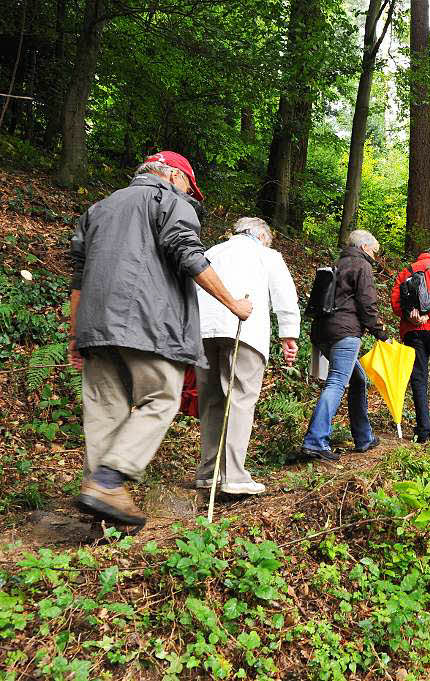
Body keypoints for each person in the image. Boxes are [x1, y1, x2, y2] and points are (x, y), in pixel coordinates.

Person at [69, 151, 253, 526]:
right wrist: (233, 303)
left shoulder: (99, 209)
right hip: (147, 322)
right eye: (189, 185)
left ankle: (103, 511)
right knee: (162, 395)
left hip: (95, 326)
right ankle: (109, 478)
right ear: (171, 175)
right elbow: (188, 254)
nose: (190, 193)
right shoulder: (167, 200)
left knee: (106, 411)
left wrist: (76, 335)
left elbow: (78, 277)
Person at [194, 218, 300, 495]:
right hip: (245, 330)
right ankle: (234, 476)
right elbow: (285, 296)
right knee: (240, 399)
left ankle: (208, 473)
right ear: (261, 236)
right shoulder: (267, 255)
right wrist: (288, 335)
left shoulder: (212, 252)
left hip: (204, 332)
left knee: (211, 400)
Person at [299, 229, 388, 461]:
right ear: (365, 247)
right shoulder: (362, 265)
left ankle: (364, 437)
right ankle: (315, 441)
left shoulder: (337, 263)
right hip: (344, 332)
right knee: (338, 381)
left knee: (358, 379)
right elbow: (367, 304)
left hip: (322, 330)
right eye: (374, 252)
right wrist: (381, 334)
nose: (375, 257)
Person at [390, 247, 430, 444]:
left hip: (412, 330)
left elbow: (395, 301)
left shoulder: (406, 271)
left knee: (418, 378)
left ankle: (423, 430)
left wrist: (410, 316)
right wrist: (429, 315)